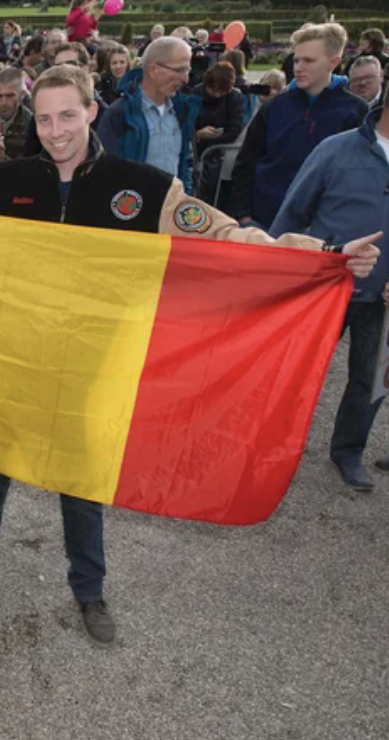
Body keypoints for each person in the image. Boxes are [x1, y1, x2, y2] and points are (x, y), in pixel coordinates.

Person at [0, 64, 381, 646]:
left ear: (90, 112)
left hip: (94, 361)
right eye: (44, 118)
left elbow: (229, 237)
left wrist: (323, 254)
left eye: (67, 116)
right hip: (19, 351)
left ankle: (89, 589)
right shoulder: (2, 182)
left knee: (80, 473)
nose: (56, 130)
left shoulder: (145, 187)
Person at [271, 94, 389, 490]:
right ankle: (267, 444)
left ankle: (349, 452)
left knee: (370, 380)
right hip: (325, 290)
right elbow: (292, 214)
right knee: (296, 370)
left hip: (382, 300)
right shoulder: (335, 150)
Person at [230, 23, 369, 230]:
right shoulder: (273, 107)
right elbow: (246, 164)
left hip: (324, 229)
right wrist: (244, 217)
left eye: (309, 60)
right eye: (296, 60)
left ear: (333, 62)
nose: (298, 67)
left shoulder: (356, 111)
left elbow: (359, 178)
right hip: (264, 224)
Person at [98, 36, 201, 194]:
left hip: (171, 211)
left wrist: (185, 200)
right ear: (153, 70)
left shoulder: (183, 111)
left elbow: (187, 164)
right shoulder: (119, 114)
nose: (185, 78)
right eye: (179, 70)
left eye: (187, 70)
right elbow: (105, 173)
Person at [193, 62, 244, 205]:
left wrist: (213, 139)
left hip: (220, 153)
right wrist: (197, 134)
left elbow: (234, 129)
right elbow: (186, 125)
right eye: (212, 90)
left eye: (222, 92)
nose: (216, 95)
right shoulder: (195, 94)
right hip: (198, 151)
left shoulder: (234, 97)